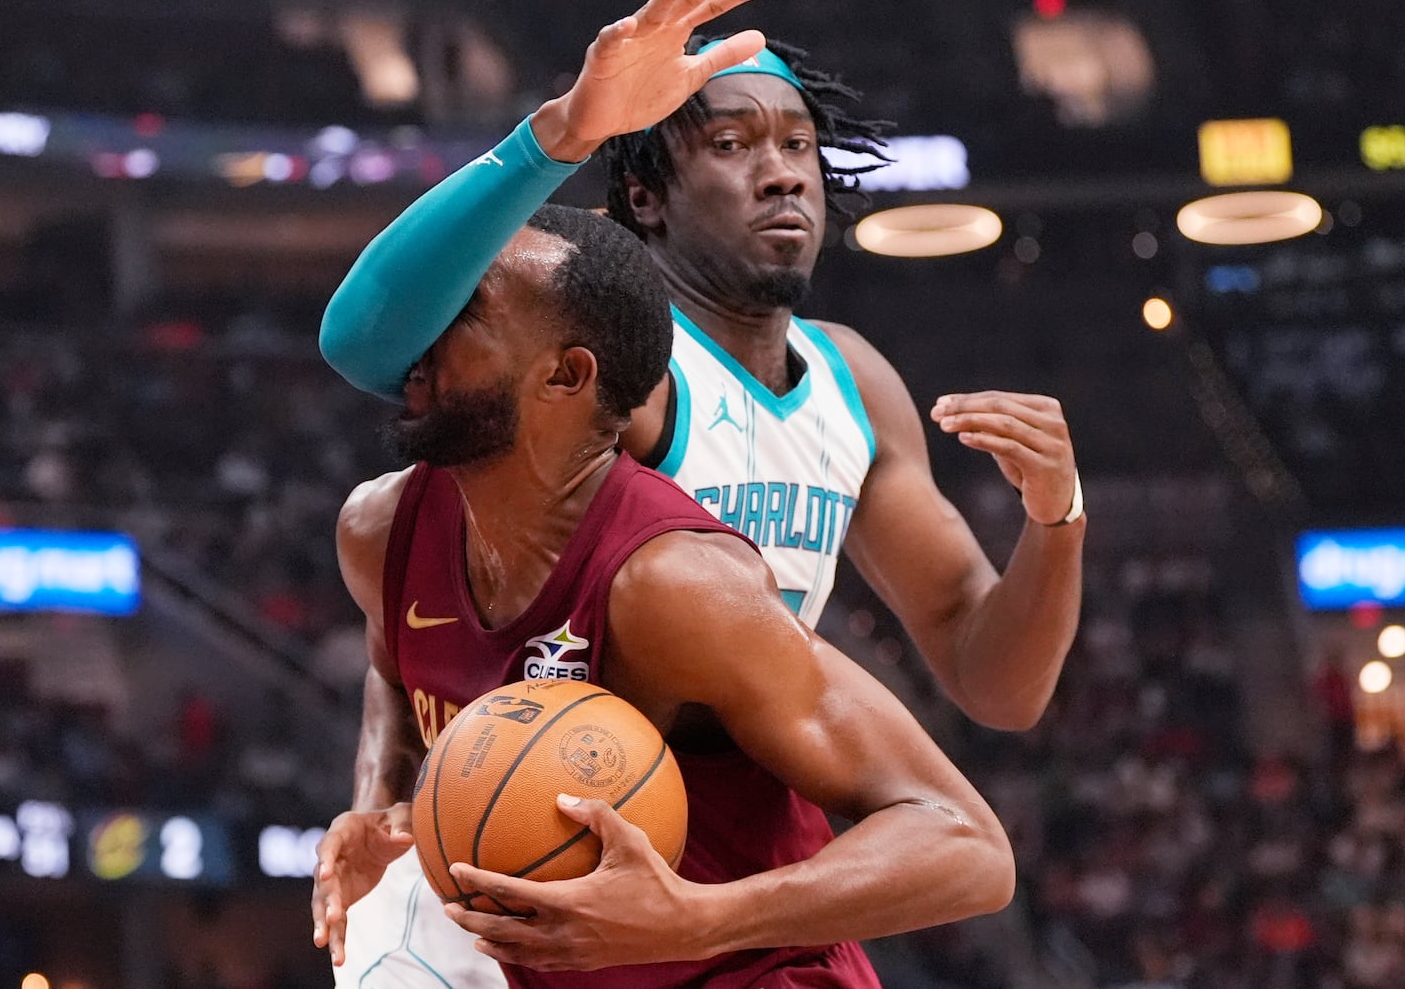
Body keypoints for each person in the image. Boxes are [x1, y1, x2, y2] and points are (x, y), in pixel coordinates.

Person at [317, 0, 1081, 986]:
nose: (781, 172)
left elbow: (995, 681)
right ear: (642, 193)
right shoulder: (615, 358)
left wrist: (1056, 518)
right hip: (581, 791)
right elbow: (376, 349)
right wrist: (563, 134)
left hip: (733, 819)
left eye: (799, 144)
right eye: (730, 143)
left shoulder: (850, 379)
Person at [313, 197, 1015, 986]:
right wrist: (376, 801)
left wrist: (698, 917)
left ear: (565, 374)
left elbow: (966, 843)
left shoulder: (673, 583)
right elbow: (398, 670)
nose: (416, 337)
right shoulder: (379, 532)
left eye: (462, 315)